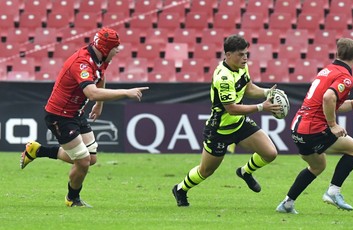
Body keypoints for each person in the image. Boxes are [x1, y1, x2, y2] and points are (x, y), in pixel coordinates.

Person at [20, 27, 149, 207]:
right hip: (60, 115)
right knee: (83, 162)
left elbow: (100, 75)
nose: (118, 50)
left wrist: (99, 105)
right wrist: (126, 93)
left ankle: (37, 150)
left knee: (91, 159)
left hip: (76, 113)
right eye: (115, 47)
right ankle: (72, 199)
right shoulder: (81, 63)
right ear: (105, 48)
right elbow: (92, 92)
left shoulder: (100, 57)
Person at [172, 34, 284, 207]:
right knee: (206, 171)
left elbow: (248, 88)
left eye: (246, 54)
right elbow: (231, 108)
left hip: (239, 123)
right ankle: (180, 189)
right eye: (240, 54)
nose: (245, 58)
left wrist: (266, 92)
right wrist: (262, 107)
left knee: (270, 153)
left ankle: (245, 172)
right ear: (228, 55)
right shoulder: (223, 78)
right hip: (220, 130)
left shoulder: (241, 67)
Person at [276, 38, 353, 214]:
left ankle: (287, 203)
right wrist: (333, 125)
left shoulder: (326, 70)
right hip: (314, 128)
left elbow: (332, 103)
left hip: (297, 128)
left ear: (336, 54)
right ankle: (333, 192)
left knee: (317, 166)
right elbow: (328, 98)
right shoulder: (345, 77)